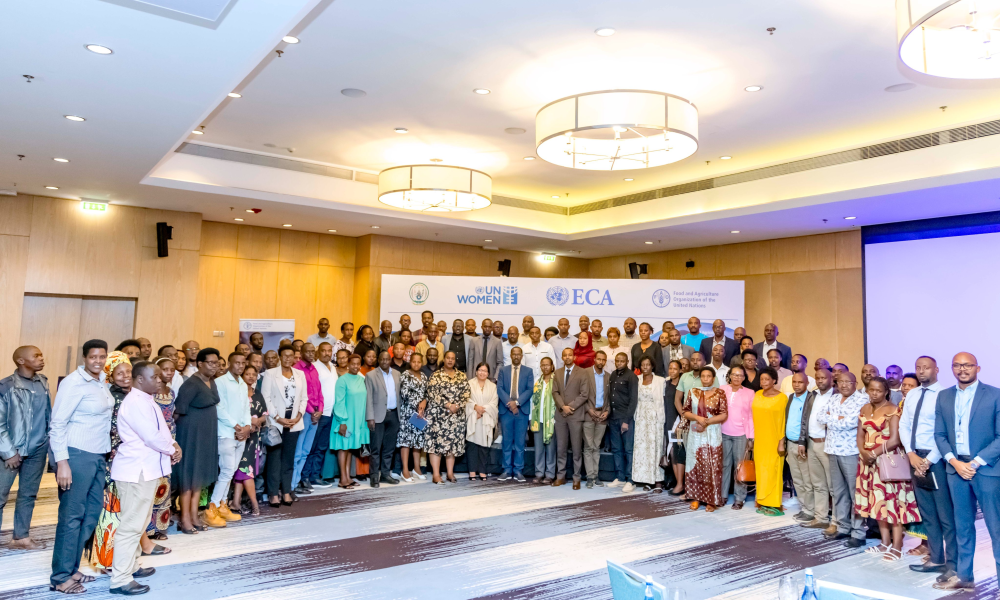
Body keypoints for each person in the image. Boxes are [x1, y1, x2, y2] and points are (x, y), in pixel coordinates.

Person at [108, 361, 180, 596]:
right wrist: (172, 449)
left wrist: (173, 444)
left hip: (145, 469)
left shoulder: (147, 400)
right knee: (131, 526)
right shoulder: (137, 402)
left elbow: (162, 431)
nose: (160, 380)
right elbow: (151, 437)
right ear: (140, 380)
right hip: (136, 471)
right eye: (155, 377)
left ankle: (131, 566)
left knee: (138, 523)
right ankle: (120, 579)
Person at [49, 340, 114, 594]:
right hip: (76, 456)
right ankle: (61, 577)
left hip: (98, 456)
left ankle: (73, 567)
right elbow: (57, 423)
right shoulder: (73, 383)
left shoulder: (100, 382)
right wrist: (62, 462)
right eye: (93, 357)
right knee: (71, 517)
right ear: (85, 358)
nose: (98, 361)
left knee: (90, 516)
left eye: (102, 356)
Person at [932, 352, 1000, 591]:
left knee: (996, 528)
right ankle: (965, 577)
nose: (962, 369)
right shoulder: (944, 396)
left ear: (978, 368)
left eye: (967, 365)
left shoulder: (994, 395)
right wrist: (954, 462)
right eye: (957, 365)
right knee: (962, 526)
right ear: (951, 369)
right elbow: (939, 435)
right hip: (956, 470)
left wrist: (976, 463)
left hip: (986, 471)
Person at [899, 356, 956, 579]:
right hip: (914, 457)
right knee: (928, 513)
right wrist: (911, 454)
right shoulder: (912, 394)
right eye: (918, 368)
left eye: (926, 368)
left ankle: (952, 563)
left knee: (945, 515)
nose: (922, 372)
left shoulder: (944, 395)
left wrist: (929, 460)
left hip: (937, 459)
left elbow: (944, 431)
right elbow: (904, 425)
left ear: (937, 370)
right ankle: (936, 559)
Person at [855, 376, 920, 561]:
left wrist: (873, 453)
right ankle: (884, 543)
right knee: (878, 505)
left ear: (886, 392)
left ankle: (897, 545)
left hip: (887, 462)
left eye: (878, 390)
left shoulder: (893, 410)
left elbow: (895, 439)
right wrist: (863, 453)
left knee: (893, 505)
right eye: (871, 390)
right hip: (867, 463)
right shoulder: (865, 408)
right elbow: (860, 435)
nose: (874, 393)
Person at [0, 346, 50, 551]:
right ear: (21, 361)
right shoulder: (6, 386)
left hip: (38, 448)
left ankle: (21, 537)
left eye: (41, 354)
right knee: (0, 495)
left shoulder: (43, 382)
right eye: (36, 356)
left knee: (28, 493)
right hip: (11, 450)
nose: (41, 358)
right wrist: (9, 452)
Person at [172, 348, 221, 532]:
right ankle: (184, 519)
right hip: (190, 436)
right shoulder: (191, 384)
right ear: (200, 364)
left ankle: (194, 516)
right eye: (211, 363)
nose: (214, 366)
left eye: (216, 363)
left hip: (206, 435)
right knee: (188, 477)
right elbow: (177, 412)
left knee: (198, 477)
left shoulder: (211, 381)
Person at [818, 371, 869, 545]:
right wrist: (837, 418)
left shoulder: (862, 400)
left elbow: (852, 422)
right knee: (839, 492)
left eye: (848, 382)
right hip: (832, 450)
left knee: (855, 493)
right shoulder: (833, 398)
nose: (844, 385)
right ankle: (843, 527)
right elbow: (820, 417)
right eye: (841, 382)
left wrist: (833, 419)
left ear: (855, 383)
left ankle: (858, 533)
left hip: (851, 452)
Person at [261, 347, 307, 507]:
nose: (288, 358)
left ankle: (286, 491)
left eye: (291, 355)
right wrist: (278, 418)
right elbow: (265, 398)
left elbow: (304, 398)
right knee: (274, 460)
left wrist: (299, 416)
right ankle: (273, 493)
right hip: (276, 422)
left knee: (288, 459)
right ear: (280, 357)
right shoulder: (270, 373)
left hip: (294, 422)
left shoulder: (300, 374)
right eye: (285, 355)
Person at [208, 352, 249, 524]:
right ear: (229, 364)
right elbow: (219, 408)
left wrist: (246, 427)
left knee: (231, 472)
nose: (240, 366)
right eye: (236, 363)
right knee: (225, 471)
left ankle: (223, 505)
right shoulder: (220, 382)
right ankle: (212, 507)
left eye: (242, 363)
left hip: (241, 434)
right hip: (226, 433)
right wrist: (237, 426)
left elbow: (246, 407)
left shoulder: (243, 383)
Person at [681, 366, 727, 510]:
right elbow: (685, 412)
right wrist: (697, 418)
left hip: (712, 432)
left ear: (713, 379)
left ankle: (711, 501)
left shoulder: (720, 393)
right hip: (696, 432)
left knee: (712, 465)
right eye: (703, 376)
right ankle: (696, 497)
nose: (706, 379)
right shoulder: (692, 392)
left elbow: (724, 414)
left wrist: (706, 421)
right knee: (695, 464)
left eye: (709, 376)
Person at [425, 352, 470, 484]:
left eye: (452, 358)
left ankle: (450, 473)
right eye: (447, 358)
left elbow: (467, 393)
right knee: (436, 445)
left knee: (452, 445)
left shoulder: (461, 376)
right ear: (443, 359)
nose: (450, 360)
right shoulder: (436, 375)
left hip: (455, 416)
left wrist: (457, 405)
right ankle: (436, 474)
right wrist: (448, 405)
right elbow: (432, 393)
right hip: (438, 416)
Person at [301, 344, 343, 489]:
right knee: (311, 447)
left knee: (322, 447)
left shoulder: (332, 367)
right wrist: (315, 409)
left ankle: (315, 476)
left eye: (329, 351)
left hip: (331, 413)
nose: (326, 353)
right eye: (323, 350)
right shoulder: (314, 367)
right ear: (318, 352)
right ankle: (304, 476)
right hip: (318, 413)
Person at [800, 368, 836, 531]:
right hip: (811, 443)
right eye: (818, 378)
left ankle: (836, 521)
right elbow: (805, 419)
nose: (820, 381)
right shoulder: (812, 395)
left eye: (824, 378)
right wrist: (802, 442)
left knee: (833, 486)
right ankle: (821, 517)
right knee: (818, 484)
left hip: (827, 444)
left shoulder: (836, 396)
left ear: (831, 379)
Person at [751, 367, 788, 516]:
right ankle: (761, 500)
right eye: (762, 379)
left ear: (774, 381)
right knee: (761, 470)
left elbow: (784, 421)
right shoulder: (757, 394)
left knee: (774, 471)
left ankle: (774, 503)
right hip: (759, 439)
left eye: (767, 379)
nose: (764, 382)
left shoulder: (783, 398)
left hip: (775, 439)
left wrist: (781, 441)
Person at [147, 357, 176, 539]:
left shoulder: (172, 393)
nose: (168, 373)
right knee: (151, 483)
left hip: (169, 440)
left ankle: (159, 527)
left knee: (164, 484)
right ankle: (147, 528)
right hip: (152, 441)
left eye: (172, 370)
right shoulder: (150, 393)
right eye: (164, 370)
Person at [553, 348, 590, 489]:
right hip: (561, 415)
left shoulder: (582, 372)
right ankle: (560, 476)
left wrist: (570, 407)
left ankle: (576, 478)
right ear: (562, 357)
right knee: (561, 448)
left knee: (576, 449)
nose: (567, 357)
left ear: (574, 356)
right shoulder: (557, 373)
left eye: (570, 355)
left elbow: (584, 394)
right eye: (565, 355)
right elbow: (555, 392)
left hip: (575, 415)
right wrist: (563, 406)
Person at [784, 372, 819, 524]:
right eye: (794, 382)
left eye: (800, 382)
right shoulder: (791, 397)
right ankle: (804, 508)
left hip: (802, 445)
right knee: (797, 479)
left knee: (807, 479)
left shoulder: (811, 399)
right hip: (790, 443)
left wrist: (801, 442)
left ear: (807, 384)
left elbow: (806, 422)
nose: (797, 385)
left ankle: (810, 511)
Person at [232, 363, 266, 516]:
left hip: (253, 439)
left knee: (243, 470)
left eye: (254, 374)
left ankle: (236, 502)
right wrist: (251, 421)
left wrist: (259, 421)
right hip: (240, 436)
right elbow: (234, 414)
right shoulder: (237, 393)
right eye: (248, 374)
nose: (251, 377)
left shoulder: (257, 393)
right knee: (246, 470)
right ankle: (254, 505)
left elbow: (264, 414)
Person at [330, 355, 369, 489]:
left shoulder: (361, 379)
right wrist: (342, 421)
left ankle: (347, 477)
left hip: (357, 420)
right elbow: (339, 402)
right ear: (348, 364)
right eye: (353, 364)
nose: (356, 367)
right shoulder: (342, 380)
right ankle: (342, 479)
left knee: (349, 449)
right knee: (343, 448)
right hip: (345, 420)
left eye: (358, 364)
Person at [365, 351, 401, 488]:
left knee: (389, 448)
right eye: (382, 359)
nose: (385, 361)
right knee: (375, 448)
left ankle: (385, 474)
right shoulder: (371, 375)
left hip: (394, 415)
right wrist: (370, 417)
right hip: (377, 416)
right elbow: (368, 397)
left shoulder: (397, 374)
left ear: (390, 360)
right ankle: (374, 476)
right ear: (378, 360)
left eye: (387, 359)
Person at [497, 346, 533, 482]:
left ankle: (518, 470)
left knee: (519, 442)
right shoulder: (503, 370)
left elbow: (530, 390)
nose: (516, 356)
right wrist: (510, 403)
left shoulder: (528, 371)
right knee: (506, 442)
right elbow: (499, 388)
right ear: (511, 355)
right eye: (514, 354)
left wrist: (516, 403)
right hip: (506, 411)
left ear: (522, 356)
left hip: (521, 411)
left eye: (519, 354)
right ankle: (506, 470)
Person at [631, 356, 667, 493]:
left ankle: (658, 481)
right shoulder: (637, 380)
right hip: (641, 418)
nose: (645, 367)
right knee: (643, 449)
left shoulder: (660, 381)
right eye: (643, 365)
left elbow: (663, 400)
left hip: (655, 418)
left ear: (652, 366)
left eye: (648, 365)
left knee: (656, 448)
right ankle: (648, 480)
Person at [720, 365, 754, 509]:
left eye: (740, 375)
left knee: (740, 467)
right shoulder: (722, 389)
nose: (737, 377)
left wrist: (751, 437)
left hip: (741, 434)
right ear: (729, 375)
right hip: (723, 432)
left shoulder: (750, 392)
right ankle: (722, 495)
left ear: (744, 378)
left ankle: (739, 498)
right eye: (734, 374)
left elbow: (752, 416)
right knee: (724, 465)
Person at [292, 343, 323, 494]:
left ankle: (298, 481)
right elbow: (301, 395)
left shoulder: (314, 368)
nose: (311, 354)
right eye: (308, 351)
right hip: (304, 415)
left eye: (313, 351)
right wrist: (312, 412)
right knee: (298, 452)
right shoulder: (297, 369)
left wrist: (320, 410)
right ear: (302, 352)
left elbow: (319, 391)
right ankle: (292, 484)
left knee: (305, 452)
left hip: (315, 415)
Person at [397, 352, 428, 482]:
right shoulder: (405, 375)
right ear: (410, 361)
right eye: (414, 361)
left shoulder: (424, 376)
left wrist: (424, 402)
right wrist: (418, 404)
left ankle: (416, 469)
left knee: (417, 441)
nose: (416, 364)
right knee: (406, 441)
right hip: (408, 413)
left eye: (418, 362)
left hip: (420, 414)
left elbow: (427, 393)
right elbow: (405, 394)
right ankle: (405, 470)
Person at [466, 363, 499, 480]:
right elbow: (466, 399)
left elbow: (494, 403)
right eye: (480, 370)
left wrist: (482, 410)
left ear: (488, 374)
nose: (482, 373)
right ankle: (472, 471)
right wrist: (475, 408)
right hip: (473, 418)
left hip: (486, 418)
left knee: (484, 446)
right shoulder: (469, 384)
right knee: (472, 445)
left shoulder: (492, 386)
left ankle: (482, 471)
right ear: (476, 372)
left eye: (485, 371)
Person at [583, 350, 610, 488]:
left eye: (603, 359)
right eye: (598, 359)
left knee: (596, 446)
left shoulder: (608, 377)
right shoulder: (586, 373)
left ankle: (596, 475)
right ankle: (590, 476)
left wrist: (607, 412)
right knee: (588, 446)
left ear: (605, 361)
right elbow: (581, 394)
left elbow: (611, 398)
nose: (601, 362)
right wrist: (589, 409)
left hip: (602, 416)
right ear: (594, 359)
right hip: (588, 414)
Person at [530, 356, 558, 484]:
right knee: (539, 449)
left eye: (547, 365)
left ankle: (550, 474)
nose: (545, 367)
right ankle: (539, 473)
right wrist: (531, 418)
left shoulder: (556, 380)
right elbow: (532, 401)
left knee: (551, 449)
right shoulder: (537, 381)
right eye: (543, 365)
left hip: (551, 420)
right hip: (538, 419)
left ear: (552, 366)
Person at [664, 360, 683, 495]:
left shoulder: (682, 385)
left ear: (680, 370)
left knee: (678, 452)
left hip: (678, 423)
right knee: (671, 453)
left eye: (675, 369)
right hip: (668, 421)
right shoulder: (666, 384)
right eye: (670, 368)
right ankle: (678, 483)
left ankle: (681, 484)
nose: (672, 371)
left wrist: (682, 422)